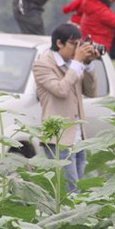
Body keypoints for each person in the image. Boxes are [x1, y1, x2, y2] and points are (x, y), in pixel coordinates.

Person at [32, 23, 99, 192]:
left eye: (80, 43)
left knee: (78, 188)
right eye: (73, 44)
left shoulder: (73, 63)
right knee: (70, 190)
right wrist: (77, 62)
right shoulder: (43, 65)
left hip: (77, 136)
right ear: (59, 43)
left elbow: (90, 92)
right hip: (58, 138)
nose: (77, 48)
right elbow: (60, 90)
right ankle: (67, 218)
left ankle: (75, 217)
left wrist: (89, 64)